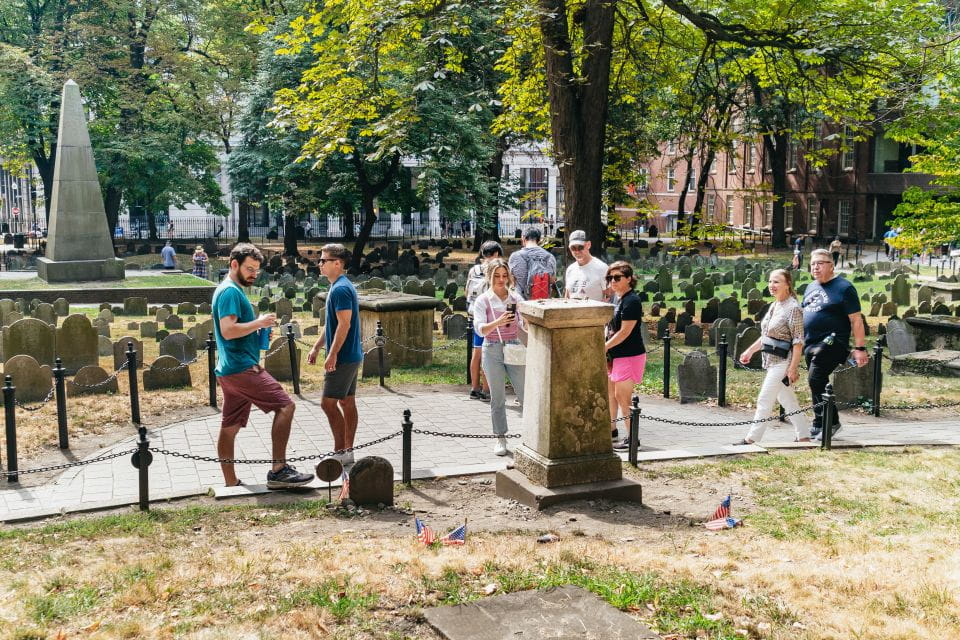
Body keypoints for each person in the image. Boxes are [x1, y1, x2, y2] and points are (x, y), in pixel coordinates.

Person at [211, 243, 314, 489]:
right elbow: (227, 330)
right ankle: (279, 471)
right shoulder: (230, 292)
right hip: (242, 368)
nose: (253, 274)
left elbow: (235, 329)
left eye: (256, 270)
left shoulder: (229, 290)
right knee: (286, 406)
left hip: (229, 370)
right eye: (249, 269)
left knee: (230, 425)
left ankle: (231, 482)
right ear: (233, 265)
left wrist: (256, 333)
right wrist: (258, 323)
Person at [732, 269, 810, 444]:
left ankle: (751, 439)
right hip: (771, 360)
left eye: (776, 282)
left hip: (782, 362)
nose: (771, 286)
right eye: (770, 282)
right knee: (787, 400)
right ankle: (804, 436)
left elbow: (798, 342)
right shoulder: (775, 305)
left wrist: (792, 368)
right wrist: (750, 351)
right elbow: (766, 335)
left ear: (787, 284)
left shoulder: (793, 308)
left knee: (764, 399)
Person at [802, 248, 869, 440]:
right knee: (816, 382)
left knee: (816, 377)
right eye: (813, 263)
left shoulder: (844, 288)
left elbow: (856, 320)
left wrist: (860, 348)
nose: (816, 266)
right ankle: (818, 421)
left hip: (832, 341)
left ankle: (831, 422)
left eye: (821, 263)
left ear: (831, 266)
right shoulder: (810, 287)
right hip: (810, 343)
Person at [307, 244, 363, 466]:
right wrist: (317, 346)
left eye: (323, 260)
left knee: (328, 404)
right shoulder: (339, 286)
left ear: (337, 263)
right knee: (346, 402)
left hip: (344, 357)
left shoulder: (340, 289)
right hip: (349, 355)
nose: (319, 264)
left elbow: (344, 325)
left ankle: (340, 451)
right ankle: (347, 451)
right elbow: (331, 325)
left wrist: (332, 355)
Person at [472, 258, 526, 456]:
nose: (501, 280)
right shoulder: (483, 300)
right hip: (492, 349)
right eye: (497, 276)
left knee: (524, 394)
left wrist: (524, 321)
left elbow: (525, 324)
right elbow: (481, 329)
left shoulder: (516, 298)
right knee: (498, 397)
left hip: (514, 348)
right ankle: (500, 437)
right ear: (490, 277)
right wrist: (499, 321)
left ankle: (531, 436)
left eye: (504, 275)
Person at [604, 261, 646, 450]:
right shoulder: (619, 298)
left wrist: (603, 347)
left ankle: (633, 438)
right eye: (610, 278)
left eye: (617, 277)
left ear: (629, 279)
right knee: (611, 394)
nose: (612, 281)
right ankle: (611, 429)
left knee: (623, 398)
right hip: (616, 355)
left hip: (628, 355)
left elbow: (624, 332)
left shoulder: (632, 301)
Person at [465, 240, 504, 401]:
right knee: (491, 354)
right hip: (490, 318)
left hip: (475, 316)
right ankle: (487, 390)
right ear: (496, 254)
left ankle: (474, 388)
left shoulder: (474, 270)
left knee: (477, 352)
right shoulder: (496, 269)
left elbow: (467, 290)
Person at [508, 227, 556, 300]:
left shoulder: (515, 256)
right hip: (543, 303)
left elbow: (511, 280)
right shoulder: (550, 257)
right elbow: (552, 280)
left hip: (521, 302)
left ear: (523, 238)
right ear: (539, 240)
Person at [563, 230, 609, 301]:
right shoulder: (570, 269)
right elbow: (567, 296)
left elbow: (609, 296)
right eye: (573, 248)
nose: (577, 251)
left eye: (580, 247)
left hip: (594, 311)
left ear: (588, 245)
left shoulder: (602, 268)